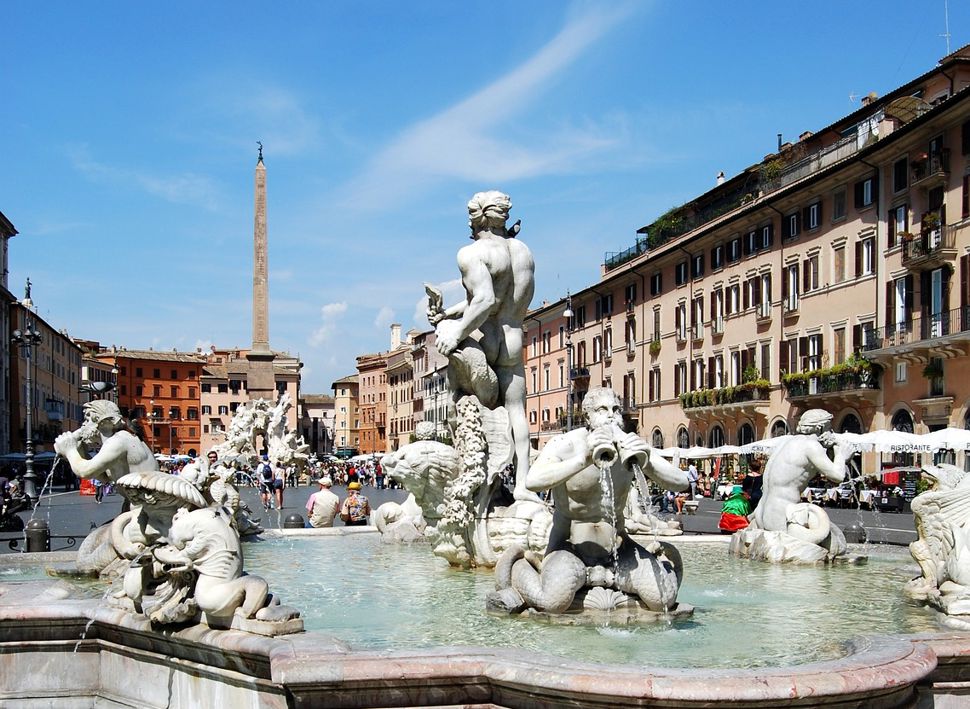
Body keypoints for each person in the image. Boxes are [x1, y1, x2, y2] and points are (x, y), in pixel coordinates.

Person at [519, 387, 691, 611]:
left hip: (618, 549)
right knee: (553, 602)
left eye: (616, 410)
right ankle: (519, 568)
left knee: (662, 601)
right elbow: (532, 481)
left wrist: (646, 460)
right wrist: (584, 459)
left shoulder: (630, 446)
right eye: (602, 410)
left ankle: (658, 566)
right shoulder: (567, 444)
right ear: (587, 416)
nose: (611, 415)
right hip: (569, 548)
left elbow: (681, 482)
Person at [429, 191, 538, 503]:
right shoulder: (523, 252)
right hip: (514, 335)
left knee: (457, 398)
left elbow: (485, 300)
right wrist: (448, 311)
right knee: (517, 411)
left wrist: (455, 330)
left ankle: (468, 472)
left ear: (475, 218)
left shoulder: (472, 253)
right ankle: (522, 485)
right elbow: (496, 301)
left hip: (487, 338)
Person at [54, 400, 158, 486]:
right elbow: (104, 478)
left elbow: (85, 471)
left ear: (102, 421)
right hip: (138, 504)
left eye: (87, 420)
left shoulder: (118, 440)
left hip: (146, 507)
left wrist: (70, 450)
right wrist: (81, 453)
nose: (83, 425)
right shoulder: (119, 440)